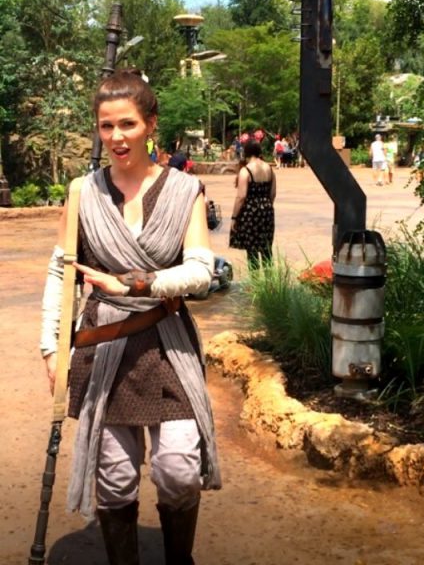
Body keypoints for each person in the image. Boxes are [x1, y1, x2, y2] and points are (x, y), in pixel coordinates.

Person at [39, 68, 220, 565]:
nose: (117, 137)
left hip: (167, 344)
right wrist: (51, 347)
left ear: (151, 124)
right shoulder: (82, 193)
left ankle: (178, 558)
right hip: (105, 349)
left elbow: (202, 270)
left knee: (179, 468)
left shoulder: (185, 191)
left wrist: (138, 283)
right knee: (114, 475)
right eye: (106, 126)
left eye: (128, 125)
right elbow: (61, 274)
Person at [229, 140, 276, 269]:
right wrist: (266, 206)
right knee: (266, 248)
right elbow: (272, 194)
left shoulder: (246, 171)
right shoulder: (269, 169)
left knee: (252, 250)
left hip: (251, 212)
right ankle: (270, 283)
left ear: (246, 153)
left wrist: (234, 217)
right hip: (267, 211)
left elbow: (241, 196)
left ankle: (255, 283)